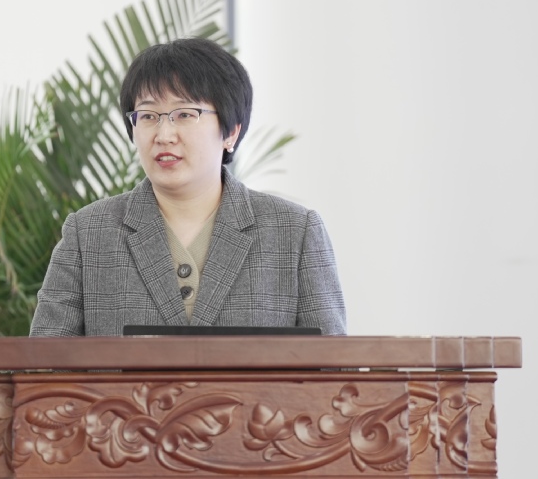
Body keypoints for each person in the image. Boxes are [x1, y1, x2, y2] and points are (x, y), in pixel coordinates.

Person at [29, 38, 346, 337]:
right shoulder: (88, 234)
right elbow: (44, 365)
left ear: (230, 132)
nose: (164, 135)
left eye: (184, 114)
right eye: (148, 116)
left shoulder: (295, 232)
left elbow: (333, 368)